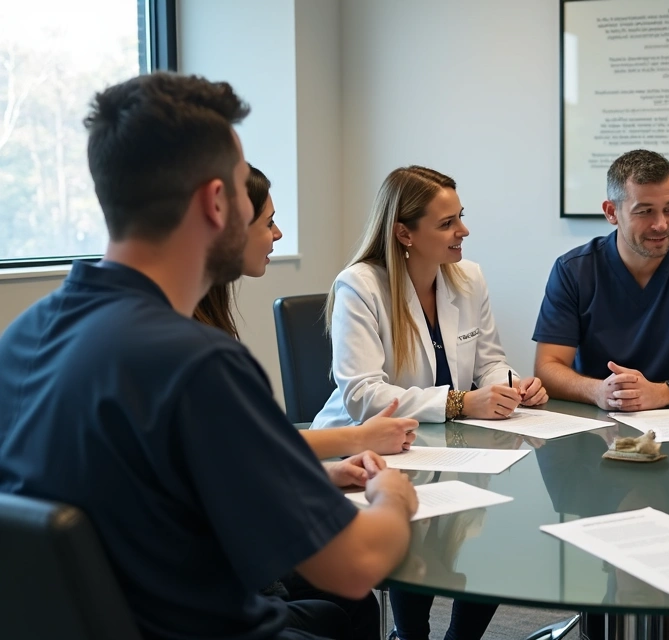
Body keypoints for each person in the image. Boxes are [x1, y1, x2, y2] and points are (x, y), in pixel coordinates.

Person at [0, 72, 418, 640]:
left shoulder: (21, 339)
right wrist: (392, 498)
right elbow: (355, 565)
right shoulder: (196, 365)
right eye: (245, 187)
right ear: (217, 202)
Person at [311, 165, 533, 639]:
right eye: (447, 223)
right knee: (418, 525)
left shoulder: (468, 278)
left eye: (461, 217)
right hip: (373, 446)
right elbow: (362, 394)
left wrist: (511, 386)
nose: (464, 231)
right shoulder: (360, 285)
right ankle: (409, 634)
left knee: (495, 529)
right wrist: (458, 403)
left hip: (454, 445)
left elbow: (490, 362)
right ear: (403, 233)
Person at [195, 164, 419, 459]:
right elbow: (240, 444)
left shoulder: (206, 313)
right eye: (268, 222)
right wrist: (357, 438)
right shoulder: (189, 338)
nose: (277, 233)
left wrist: (331, 472)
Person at [533, 149, 669, 412]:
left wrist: (664, 392)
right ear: (611, 212)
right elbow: (548, 366)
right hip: (598, 419)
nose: (661, 224)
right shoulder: (573, 270)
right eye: (645, 211)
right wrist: (598, 392)